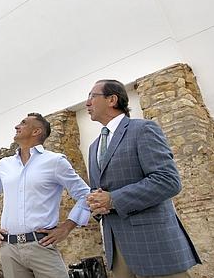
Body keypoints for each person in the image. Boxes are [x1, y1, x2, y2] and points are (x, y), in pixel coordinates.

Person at [85, 79, 200, 278]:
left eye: (92, 97)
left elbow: (167, 180)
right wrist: (96, 205)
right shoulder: (94, 146)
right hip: (117, 248)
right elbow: (101, 191)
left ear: (112, 99)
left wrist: (114, 199)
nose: (87, 103)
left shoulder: (143, 129)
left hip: (154, 244)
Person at [0, 113, 91, 278]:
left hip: (41, 246)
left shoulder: (55, 162)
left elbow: (85, 195)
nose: (16, 126)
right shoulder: (4, 165)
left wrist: (66, 227)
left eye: (23, 123)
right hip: (9, 249)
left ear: (36, 131)